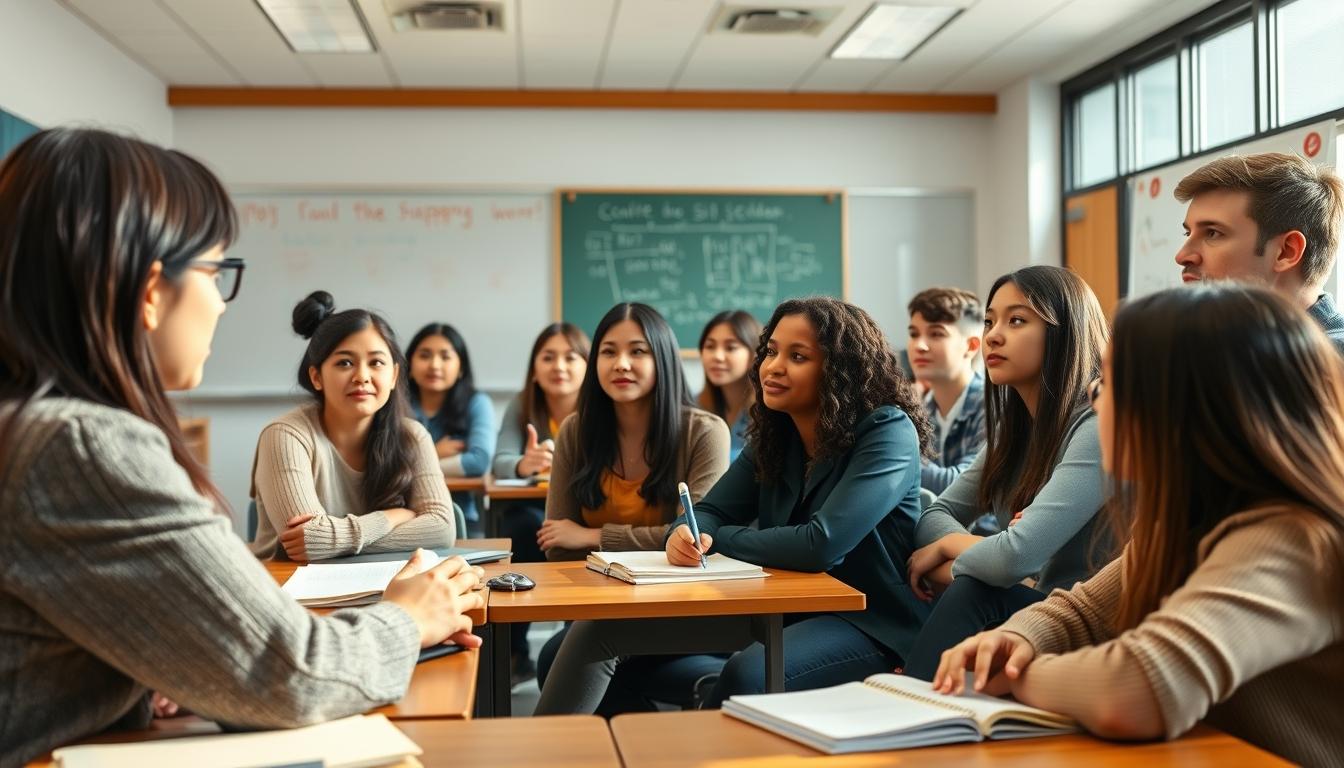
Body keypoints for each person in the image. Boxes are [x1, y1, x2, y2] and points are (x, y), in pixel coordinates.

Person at [0, 128, 483, 767]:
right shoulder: (82, 445)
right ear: (150, 292)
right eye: (214, 272)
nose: (222, 306)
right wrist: (411, 615)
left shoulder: (29, 425)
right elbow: (296, 673)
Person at [934, 284, 1344, 768]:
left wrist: (1016, 672)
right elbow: (1082, 612)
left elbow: (1139, 688)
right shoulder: (1192, 518)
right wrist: (1020, 638)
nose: (1093, 398)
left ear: (1184, 406)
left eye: (1108, 383)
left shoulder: (1291, 537)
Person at [535, 296, 934, 715]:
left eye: (797, 356)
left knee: (747, 674)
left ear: (840, 371)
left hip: (868, 622)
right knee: (592, 632)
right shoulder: (775, 437)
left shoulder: (886, 430)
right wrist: (683, 535)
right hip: (777, 605)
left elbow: (821, 544)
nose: (773, 366)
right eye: (771, 351)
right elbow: (701, 514)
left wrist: (718, 538)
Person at [901, 265, 1110, 680]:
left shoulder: (1098, 424)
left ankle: (910, 697)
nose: (994, 335)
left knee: (974, 590)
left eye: (1017, 321)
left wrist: (954, 549)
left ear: (1065, 332)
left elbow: (1012, 558)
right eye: (991, 320)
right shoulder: (1014, 434)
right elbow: (934, 516)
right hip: (1036, 605)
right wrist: (991, 552)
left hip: (1088, 621)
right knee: (971, 582)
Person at [531, 302, 730, 706]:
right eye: (608, 351)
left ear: (663, 358)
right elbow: (556, 545)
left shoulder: (705, 432)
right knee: (556, 657)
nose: (621, 363)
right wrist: (655, 542)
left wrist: (593, 535)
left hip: (683, 609)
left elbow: (699, 540)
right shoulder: (576, 431)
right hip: (602, 604)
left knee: (559, 656)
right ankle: (682, 706)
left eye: (638, 351)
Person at [250, 293, 458, 561]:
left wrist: (337, 539)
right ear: (316, 377)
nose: (362, 376)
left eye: (376, 363)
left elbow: (441, 530)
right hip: (292, 591)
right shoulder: (285, 435)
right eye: (344, 363)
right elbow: (309, 543)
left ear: (393, 375)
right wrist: (391, 517)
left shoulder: (413, 436)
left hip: (382, 586)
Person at [491, 321, 590, 684]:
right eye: (548, 357)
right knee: (522, 527)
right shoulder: (523, 404)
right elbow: (500, 460)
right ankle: (516, 651)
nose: (558, 367)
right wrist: (523, 463)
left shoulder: (601, 407)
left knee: (559, 534)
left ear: (587, 365)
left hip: (585, 512)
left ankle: (574, 639)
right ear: (534, 367)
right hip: (535, 510)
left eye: (570, 357)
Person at [1174, 151, 1344, 347]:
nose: (1182, 256)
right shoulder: (1238, 348)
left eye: (1213, 233)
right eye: (1188, 234)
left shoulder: (1327, 364)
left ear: (1286, 252)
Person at [405, 323, 496, 527]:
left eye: (445, 357)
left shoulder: (478, 403)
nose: (434, 365)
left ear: (461, 368)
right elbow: (383, 468)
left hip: (461, 517)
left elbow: (479, 461)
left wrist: (412, 464)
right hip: (403, 516)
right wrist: (434, 453)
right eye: (424, 355)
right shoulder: (393, 406)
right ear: (409, 364)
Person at [906, 287, 985, 496]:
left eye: (936, 334)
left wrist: (894, 456)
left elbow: (960, 486)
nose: (919, 345)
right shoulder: (920, 406)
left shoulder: (994, 404)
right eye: (914, 334)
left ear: (971, 346)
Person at [697, 310, 762, 460]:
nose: (717, 356)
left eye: (730, 347)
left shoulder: (768, 413)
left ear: (754, 354)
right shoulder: (693, 407)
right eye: (710, 346)